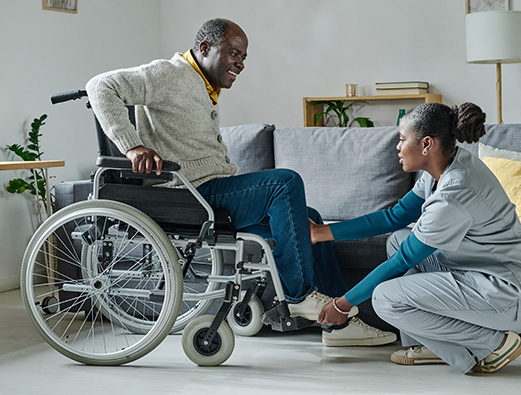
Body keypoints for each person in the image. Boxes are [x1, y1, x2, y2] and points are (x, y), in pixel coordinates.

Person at [85, 18, 395, 346]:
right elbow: (100, 86)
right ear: (204, 48)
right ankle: (298, 295)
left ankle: (338, 323)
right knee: (284, 182)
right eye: (234, 53)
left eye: (244, 57)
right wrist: (132, 146)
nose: (240, 63)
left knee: (311, 220)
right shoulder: (168, 73)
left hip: (212, 189)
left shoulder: (200, 86)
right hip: (191, 193)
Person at [310, 102, 521, 373]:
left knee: (385, 298)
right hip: (484, 274)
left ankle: (491, 344)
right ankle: (429, 345)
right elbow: (394, 216)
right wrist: (321, 233)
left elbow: (403, 261)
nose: (397, 147)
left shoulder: (454, 192)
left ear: (426, 145)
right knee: (397, 238)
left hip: (509, 294)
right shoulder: (442, 169)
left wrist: (342, 304)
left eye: (402, 139)